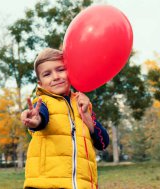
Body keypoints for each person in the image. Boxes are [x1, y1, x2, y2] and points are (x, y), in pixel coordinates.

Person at [21, 48, 109, 189]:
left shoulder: (82, 103)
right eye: (47, 74)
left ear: (71, 72)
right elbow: (41, 119)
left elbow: (103, 143)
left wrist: (87, 117)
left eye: (60, 69)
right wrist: (35, 120)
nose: (56, 77)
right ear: (40, 83)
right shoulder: (43, 102)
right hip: (46, 184)